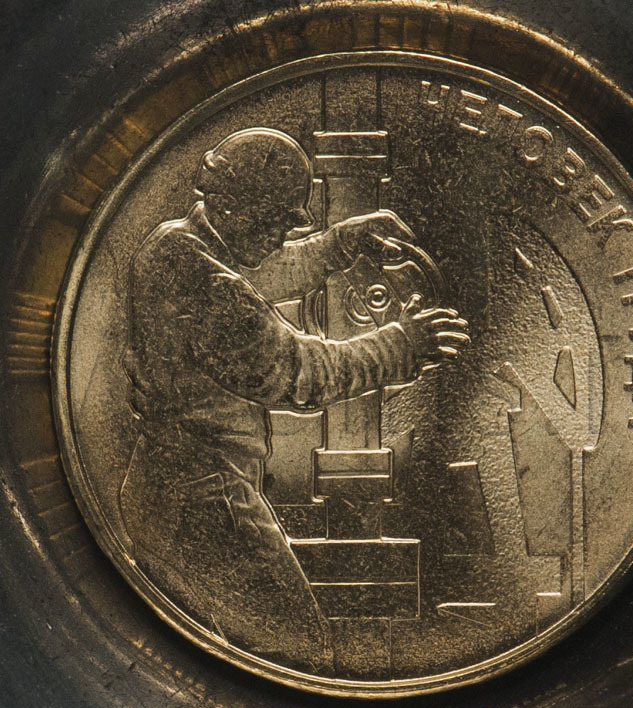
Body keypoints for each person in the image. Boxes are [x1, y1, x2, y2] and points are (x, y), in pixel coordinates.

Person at [119, 127, 469, 670]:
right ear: (236, 209)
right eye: (278, 219)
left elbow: (258, 272)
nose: (286, 232)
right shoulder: (208, 283)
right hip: (207, 499)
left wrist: (341, 243)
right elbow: (301, 373)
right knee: (298, 649)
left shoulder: (175, 244)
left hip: (165, 488)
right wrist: (400, 346)